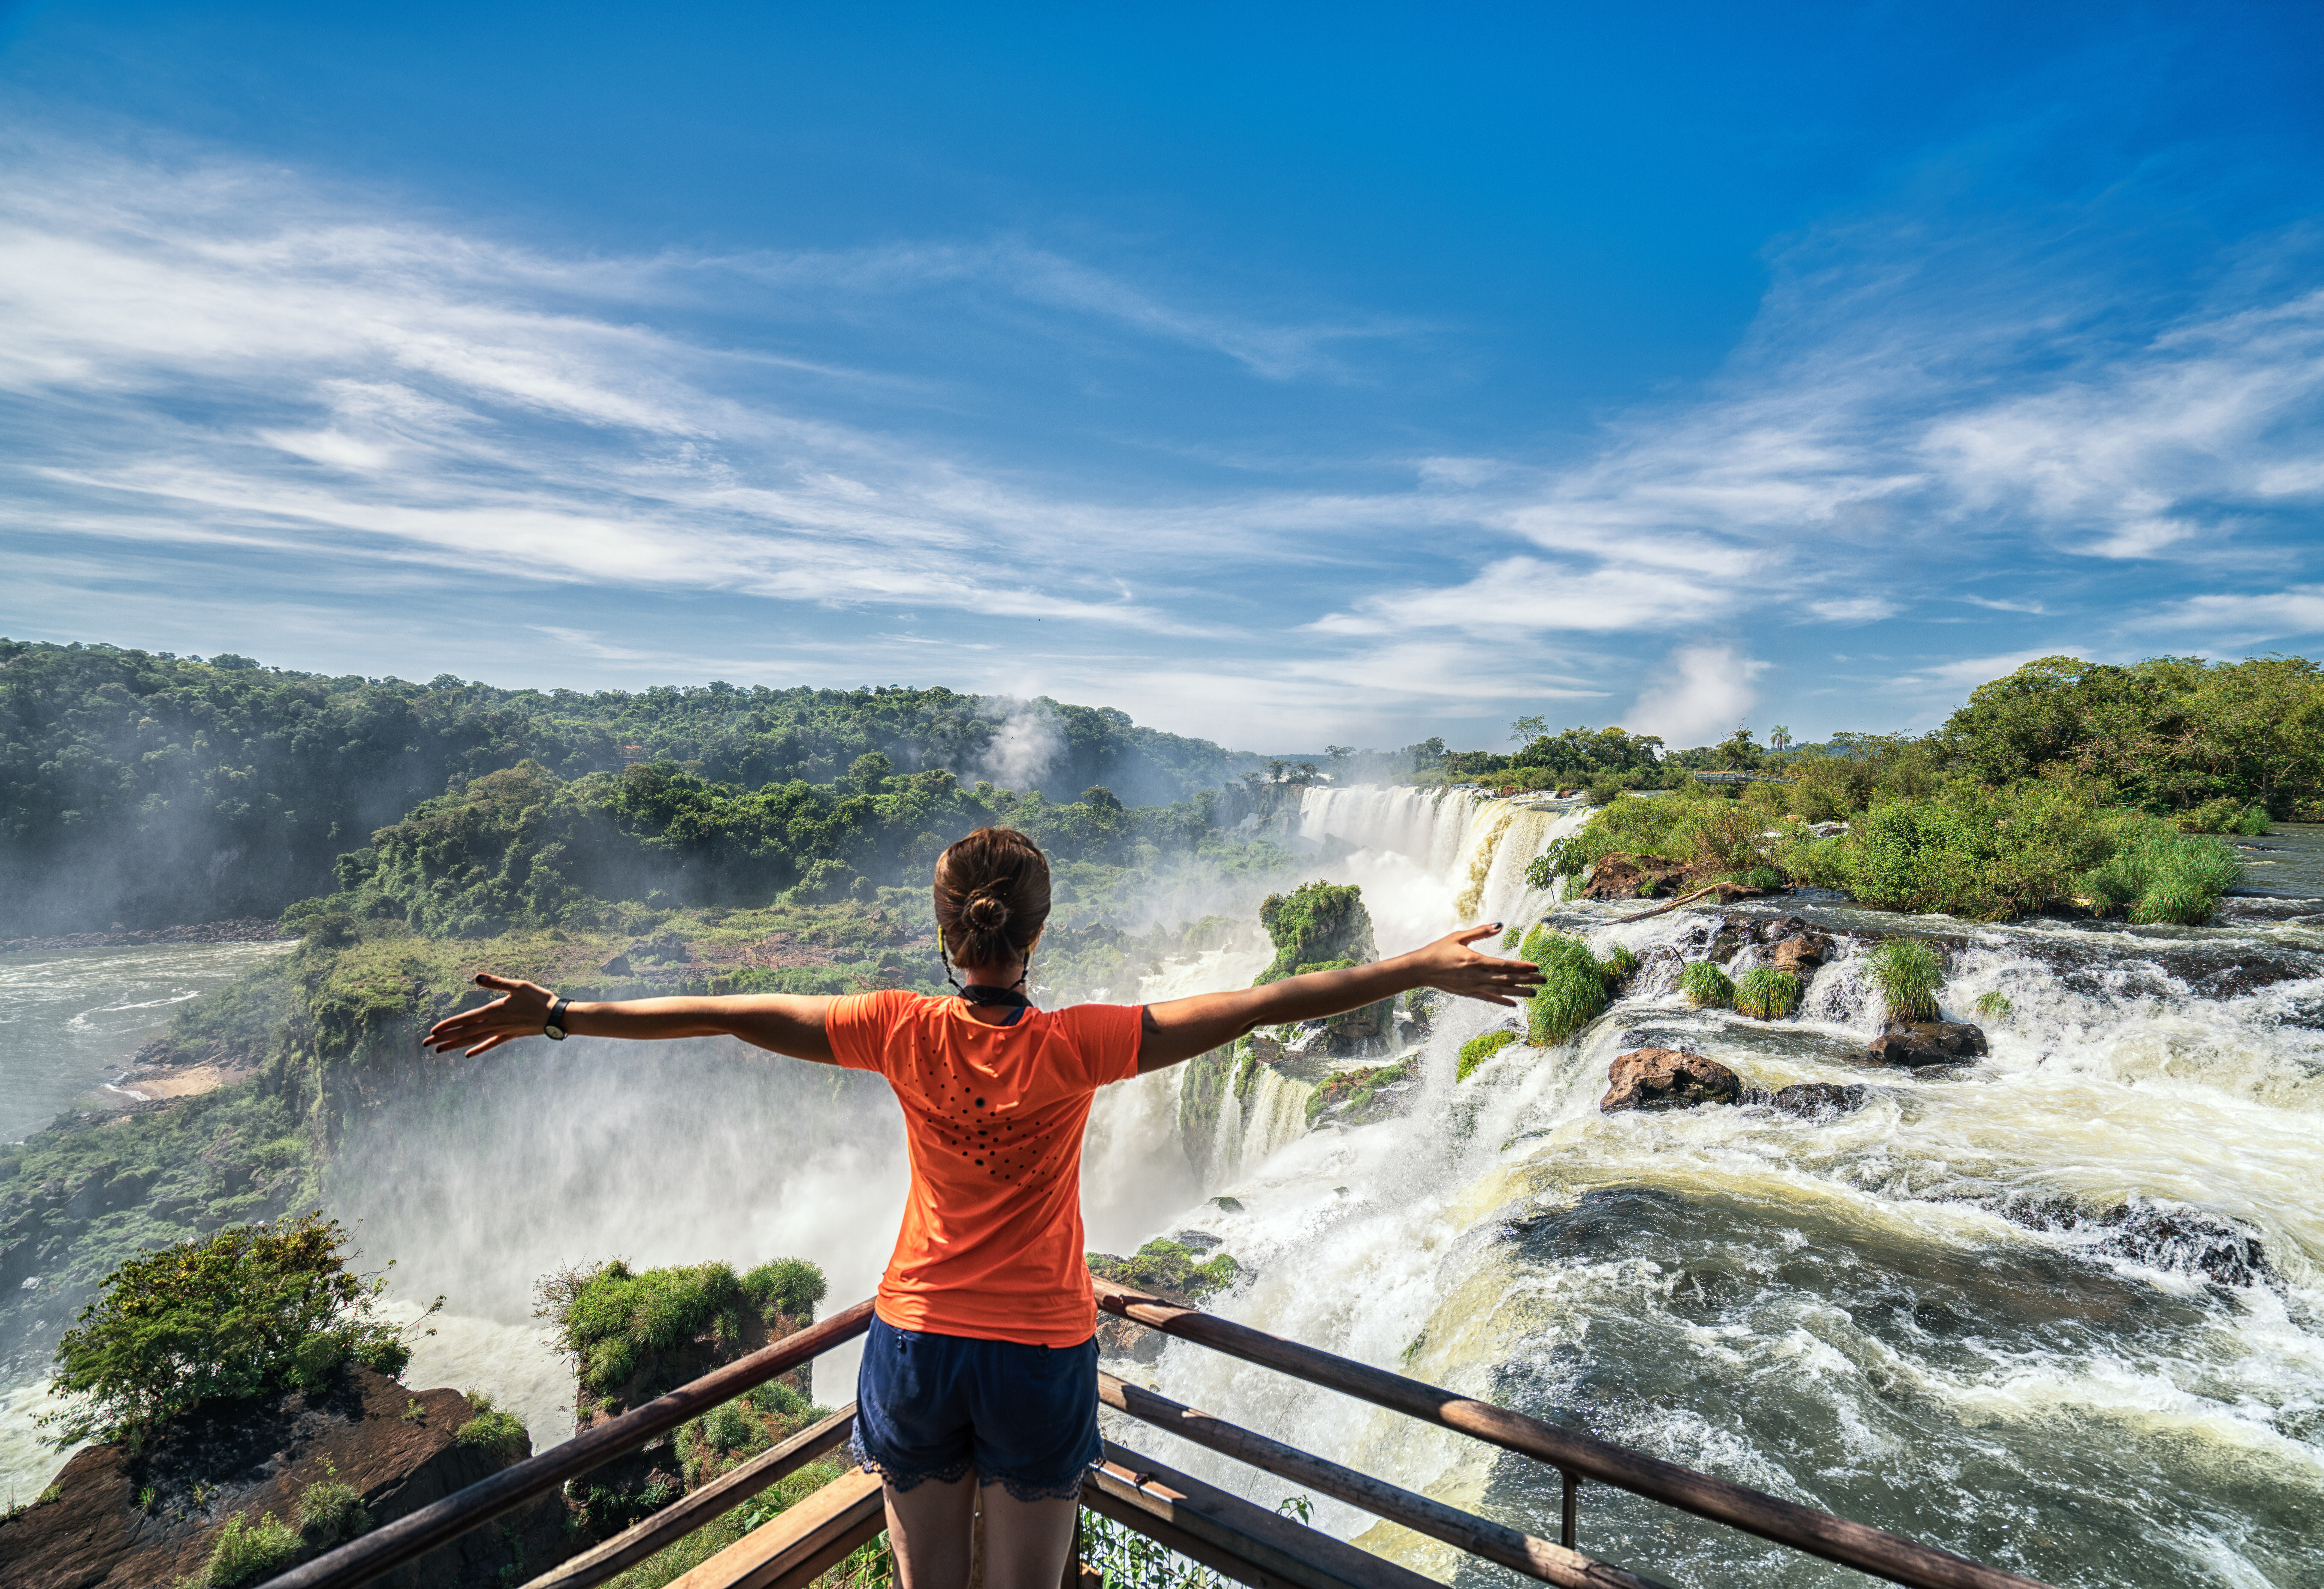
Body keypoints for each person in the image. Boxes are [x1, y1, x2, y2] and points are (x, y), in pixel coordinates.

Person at [423, 826, 1542, 1589]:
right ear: (1034, 936)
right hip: (1038, 1348)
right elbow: (1258, 1007)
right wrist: (1411, 971)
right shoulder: (1083, 1043)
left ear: (946, 934)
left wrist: (562, 1015)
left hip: (911, 1340)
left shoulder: (895, 1029)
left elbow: (724, 1014)